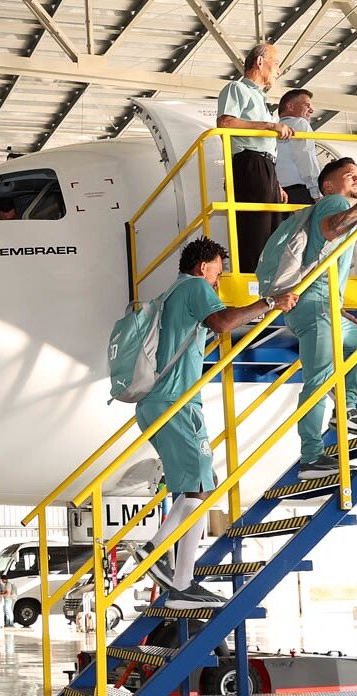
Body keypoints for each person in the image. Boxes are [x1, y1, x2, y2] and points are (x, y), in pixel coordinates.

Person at [132, 236, 282, 608]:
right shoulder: (195, 286)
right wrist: (269, 303)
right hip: (175, 403)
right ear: (203, 267)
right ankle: (157, 554)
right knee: (202, 486)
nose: (220, 278)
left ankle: (180, 581)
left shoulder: (173, 294)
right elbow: (224, 321)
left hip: (160, 403)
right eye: (219, 270)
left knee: (198, 486)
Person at [264, 157, 357, 479]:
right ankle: (311, 457)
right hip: (314, 306)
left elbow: (320, 256)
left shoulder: (334, 206)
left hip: (323, 306)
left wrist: (337, 307)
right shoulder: (333, 203)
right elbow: (332, 229)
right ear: (328, 186)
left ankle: (346, 408)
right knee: (319, 378)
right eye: (348, 175)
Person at [216, 42, 294, 272]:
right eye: (276, 63)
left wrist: (276, 182)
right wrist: (270, 125)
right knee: (255, 230)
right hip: (249, 162)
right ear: (260, 62)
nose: (278, 70)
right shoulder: (236, 89)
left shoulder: (261, 99)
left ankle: (268, 279)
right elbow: (226, 123)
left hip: (265, 166)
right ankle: (252, 280)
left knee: (272, 230)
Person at [276, 89, 321, 208]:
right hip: (300, 192)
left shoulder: (273, 129)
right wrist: (316, 192)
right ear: (290, 106)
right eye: (307, 105)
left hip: (278, 193)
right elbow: (306, 158)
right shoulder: (300, 124)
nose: (312, 110)